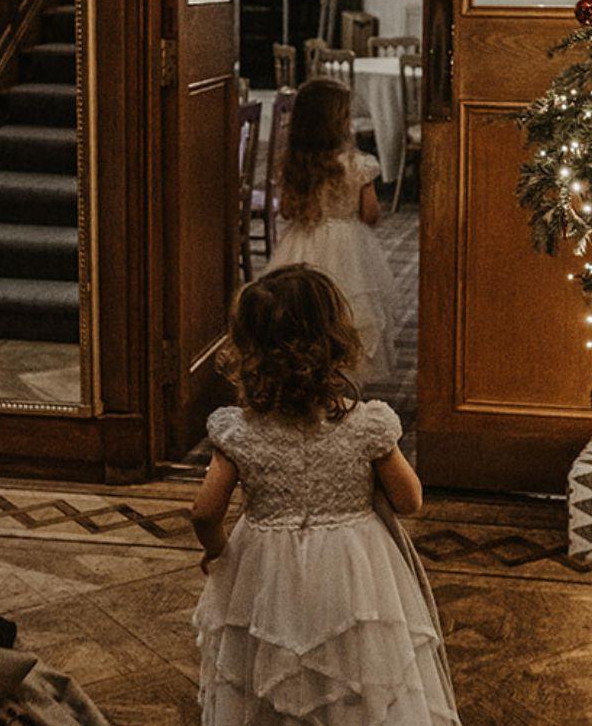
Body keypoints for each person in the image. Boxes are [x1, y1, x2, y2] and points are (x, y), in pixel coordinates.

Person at [189, 265, 458, 725]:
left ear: (249, 349)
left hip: (265, 569)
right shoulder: (367, 424)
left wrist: (218, 552)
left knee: (266, 667)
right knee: (357, 667)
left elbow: (204, 512)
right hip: (355, 568)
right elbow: (410, 499)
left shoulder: (240, 432)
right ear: (334, 340)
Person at [263, 78, 397, 385]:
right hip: (349, 246)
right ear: (339, 123)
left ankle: (305, 371)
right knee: (348, 309)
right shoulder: (358, 164)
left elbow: (285, 210)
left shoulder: (296, 164)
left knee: (300, 303)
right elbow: (371, 214)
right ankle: (344, 375)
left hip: (303, 241)